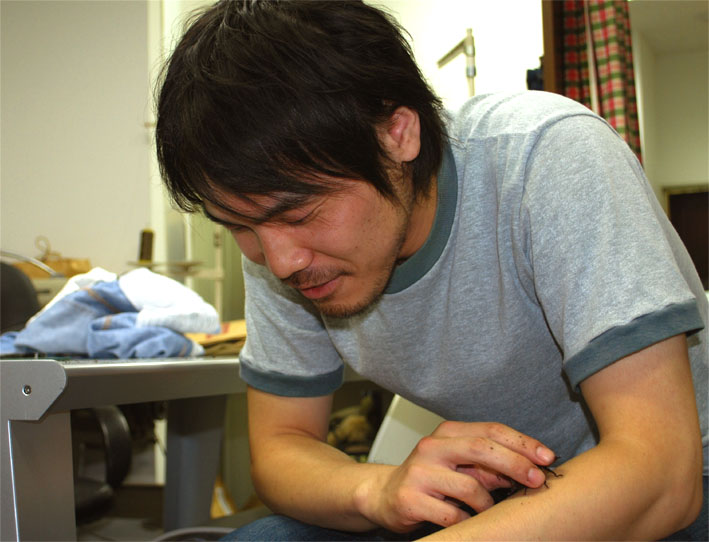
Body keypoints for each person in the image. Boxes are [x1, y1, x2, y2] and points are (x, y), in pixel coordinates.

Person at [155, 1, 708, 539]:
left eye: (300, 213)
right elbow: (281, 445)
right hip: (507, 496)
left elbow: (660, 475)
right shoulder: (279, 242)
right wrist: (377, 490)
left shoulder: (548, 156)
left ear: (398, 134)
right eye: (239, 226)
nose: (281, 263)